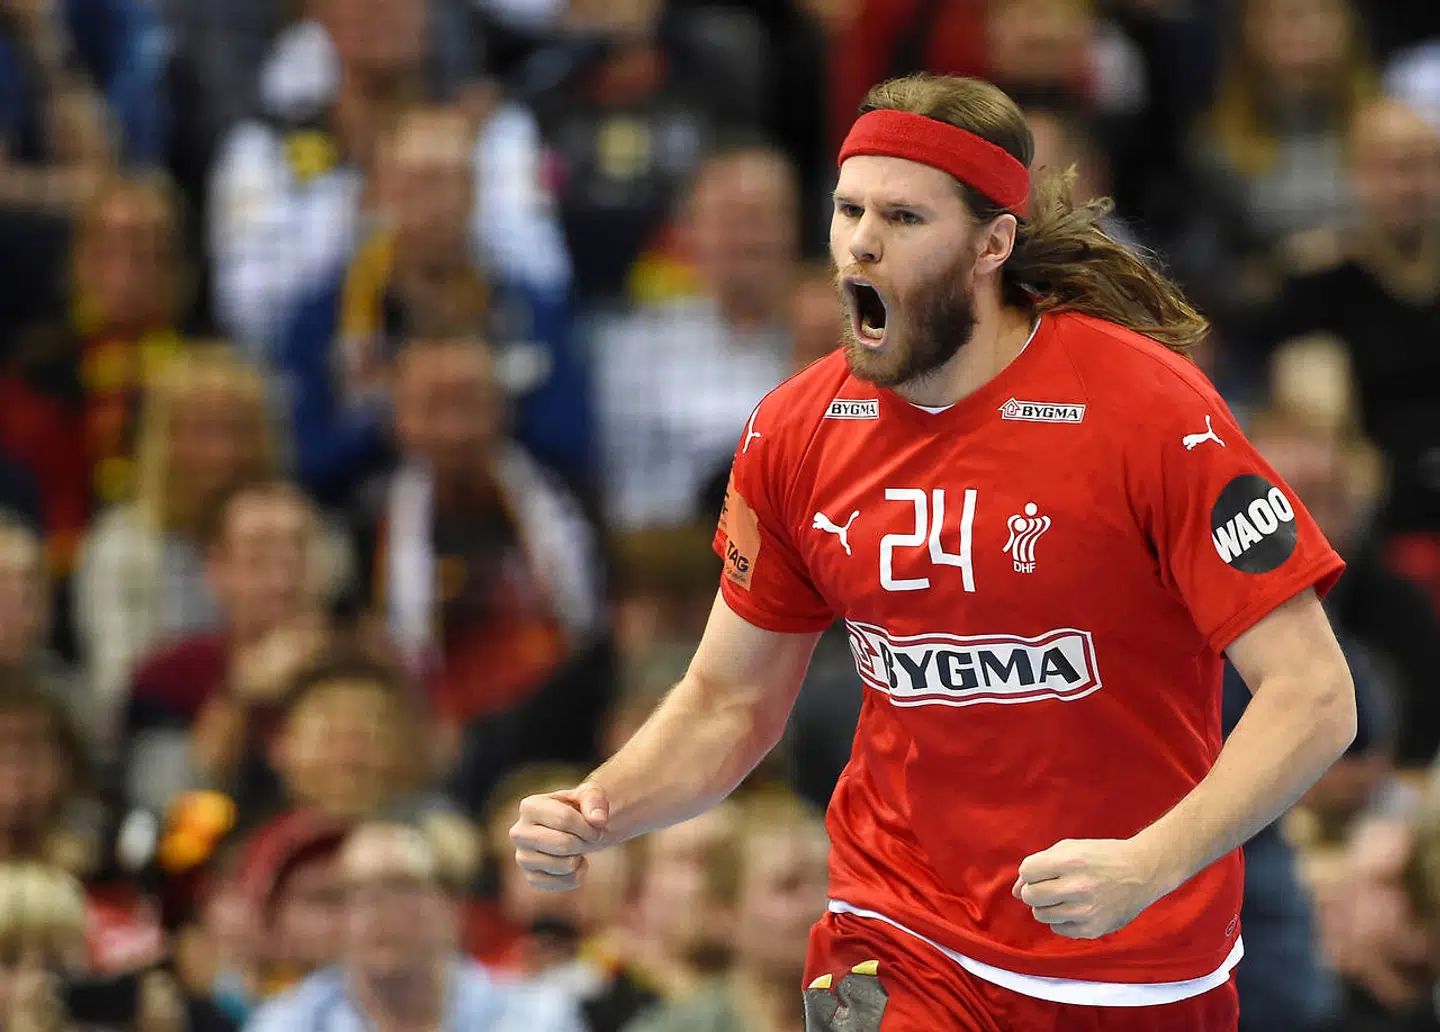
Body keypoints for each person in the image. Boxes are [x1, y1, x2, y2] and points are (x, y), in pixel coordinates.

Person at [511, 73, 1358, 1031]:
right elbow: (730, 701)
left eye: (904, 218)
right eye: (847, 210)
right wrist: (601, 806)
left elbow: (1315, 697)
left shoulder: (1152, 412)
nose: (861, 242)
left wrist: (1148, 863)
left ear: (992, 244)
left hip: (1127, 960)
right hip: (895, 927)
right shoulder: (795, 430)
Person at [246, 820, 583, 1032]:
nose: (378, 911)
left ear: (451, 905)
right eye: (357, 892)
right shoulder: (289, 1022)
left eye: (402, 887)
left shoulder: (536, 1018)